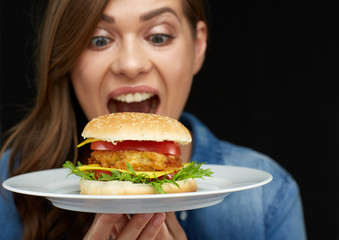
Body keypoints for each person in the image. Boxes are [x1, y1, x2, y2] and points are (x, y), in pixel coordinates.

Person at [0, 0, 306, 239]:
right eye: (99, 40)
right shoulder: (10, 181)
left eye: (158, 36)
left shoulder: (268, 194)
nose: (131, 65)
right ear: (65, 53)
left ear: (198, 46)